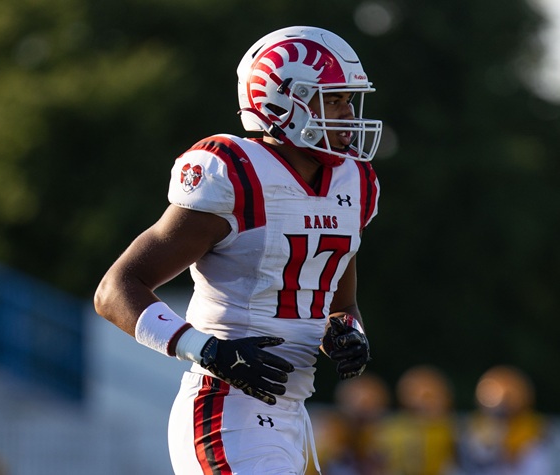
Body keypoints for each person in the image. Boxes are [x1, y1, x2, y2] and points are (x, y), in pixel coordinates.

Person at [94, 25, 383, 474]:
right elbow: (115, 290)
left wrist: (349, 335)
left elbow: (340, 306)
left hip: (293, 417)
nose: (347, 114)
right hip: (226, 409)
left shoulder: (354, 183)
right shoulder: (236, 174)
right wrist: (207, 349)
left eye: (348, 99)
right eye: (333, 100)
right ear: (283, 102)